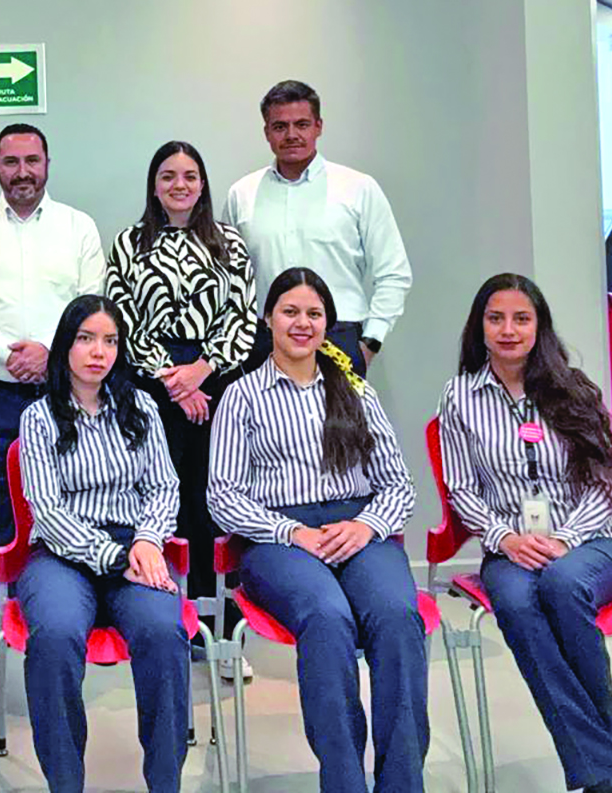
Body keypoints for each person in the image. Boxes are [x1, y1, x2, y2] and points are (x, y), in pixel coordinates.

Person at [209, 268, 428, 793]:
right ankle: (344, 781)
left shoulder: (356, 393)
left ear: (328, 324)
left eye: (314, 313)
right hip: (278, 538)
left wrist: (366, 525)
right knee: (327, 618)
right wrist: (292, 532)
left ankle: (402, 782)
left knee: (398, 616)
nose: (302, 323)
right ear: (268, 318)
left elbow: (399, 485)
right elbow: (223, 496)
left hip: (358, 529)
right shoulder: (242, 397)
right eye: (290, 311)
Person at [437, 274, 612, 793]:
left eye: (521, 318)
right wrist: (506, 539)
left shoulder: (572, 388)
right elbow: (461, 490)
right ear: (479, 327)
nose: (508, 330)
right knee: (517, 604)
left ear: (540, 326)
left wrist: (564, 541)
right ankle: (608, 768)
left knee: (562, 583)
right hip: (509, 549)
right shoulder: (459, 396)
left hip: (594, 541)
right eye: (496, 318)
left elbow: (604, 482)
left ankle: (602, 762)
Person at [16, 294, 189, 793]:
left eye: (110, 341)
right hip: (61, 556)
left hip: (135, 546)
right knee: (54, 636)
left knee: (163, 632)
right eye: (86, 339)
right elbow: (47, 511)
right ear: (65, 346)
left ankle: (165, 782)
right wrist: (115, 557)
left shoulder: (141, 408)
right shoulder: (40, 418)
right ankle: (65, 783)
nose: (98, 352)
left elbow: (164, 487)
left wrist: (148, 541)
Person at [0, 123, 104, 656]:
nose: (22, 172)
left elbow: (90, 302)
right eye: (11, 162)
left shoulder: (78, 228)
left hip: (65, 393)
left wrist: (50, 355)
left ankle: (72, 609)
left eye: (32, 161)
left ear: (47, 164)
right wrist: (8, 354)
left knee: (75, 496)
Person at [106, 139, 255, 678]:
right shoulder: (129, 243)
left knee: (212, 501)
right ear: (154, 185)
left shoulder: (229, 243)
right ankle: (170, 619)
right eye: (168, 175)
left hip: (217, 384)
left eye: (189, 176)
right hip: (153, 387)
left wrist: (201, 372)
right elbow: (120, 319)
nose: (179, 185)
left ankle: (222, 627)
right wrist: (174, 380)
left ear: (202, 184)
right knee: (162, 501)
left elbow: (243, 317)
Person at [222, 80, 412, 376]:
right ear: (267, 132)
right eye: (280, 126)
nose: (292, 135)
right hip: (263, 341)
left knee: (338, 412)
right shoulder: (241, 194)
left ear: (319, 126)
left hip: (337, 338)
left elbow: (394, 273)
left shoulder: (358, 188)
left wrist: (370, 342)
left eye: (302, 124)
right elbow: (228, 279)